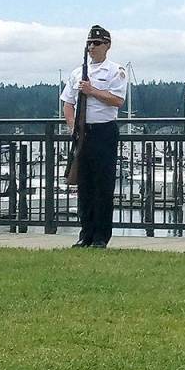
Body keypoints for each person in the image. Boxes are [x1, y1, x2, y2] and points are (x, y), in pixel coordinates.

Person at [60, 25, 127, 248]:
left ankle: (101, 236)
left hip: (103, 130)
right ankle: (85, 233)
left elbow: (118, 100)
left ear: (107, 45)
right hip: (82, 132)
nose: (92, 47)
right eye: (89, 43)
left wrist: (93, 91)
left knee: (103, 184)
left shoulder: (115, 70)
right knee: (84, 184)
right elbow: (67, 102)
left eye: (96, 43)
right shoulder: (77, 72)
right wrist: (72, 126)